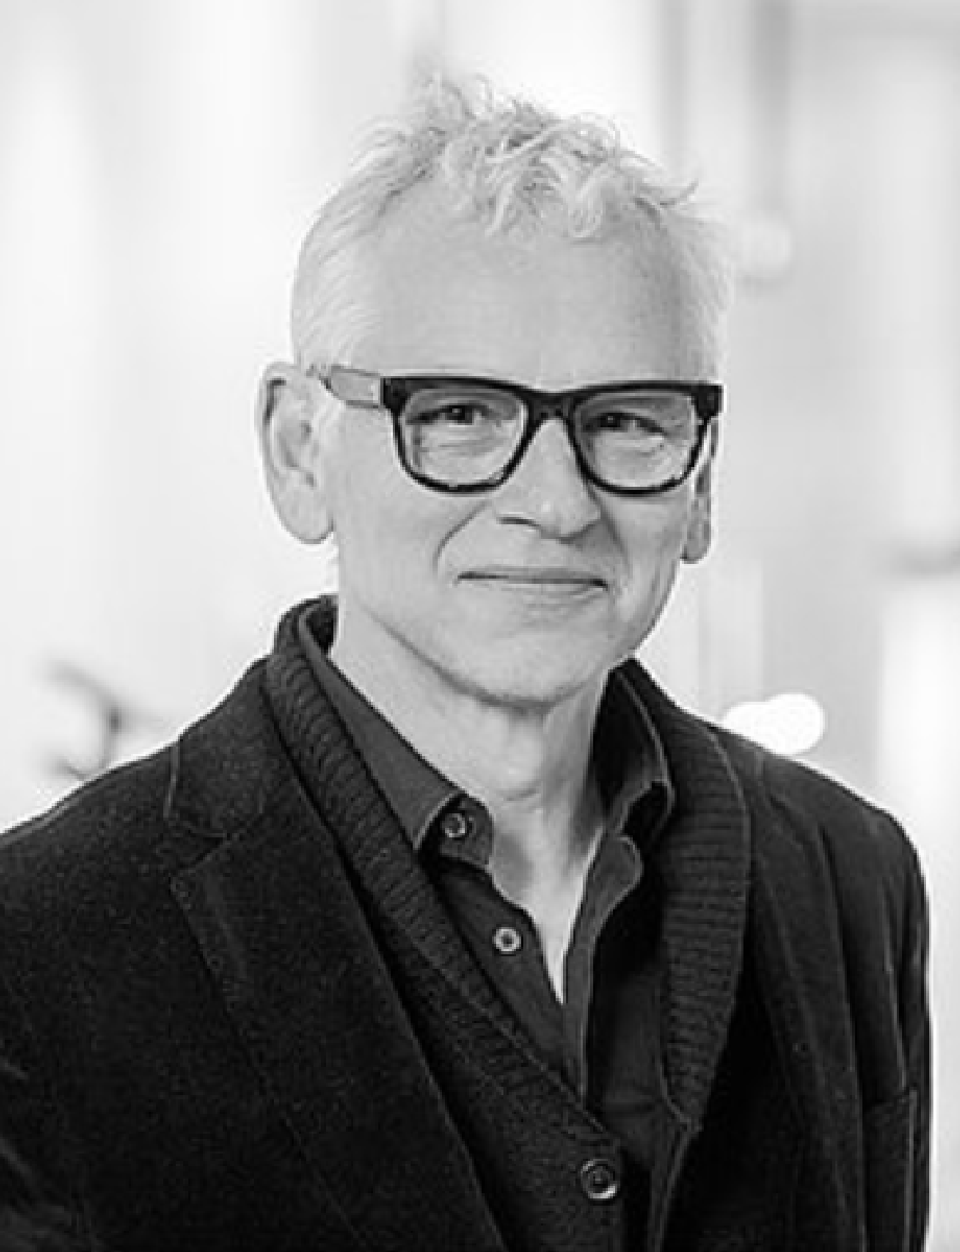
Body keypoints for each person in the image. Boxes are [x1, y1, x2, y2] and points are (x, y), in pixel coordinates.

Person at [0, 76, 929, 1252]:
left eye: (627, 420)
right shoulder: (44, 943)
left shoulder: (849, 877)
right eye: (459, 415)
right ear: (298, 451)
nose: (556, 502)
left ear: (699, 483)